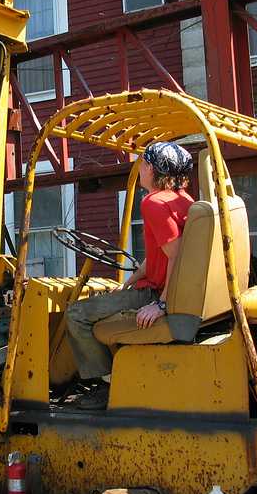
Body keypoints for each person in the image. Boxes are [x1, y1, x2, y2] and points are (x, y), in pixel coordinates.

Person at [64, 142, 194, 409]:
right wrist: (127, 285)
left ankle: (105, 384)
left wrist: (161, 304)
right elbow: (161, 254)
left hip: (156, 293)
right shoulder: (184, 201)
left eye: (144, 163)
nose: (141, 169)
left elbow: (177, 255)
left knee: (75, 314)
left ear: (153, 169)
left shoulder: (154, 203)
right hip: (156, 288)